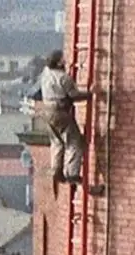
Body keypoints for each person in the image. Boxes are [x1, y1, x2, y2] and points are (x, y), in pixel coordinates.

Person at [35, 49, 94, 185]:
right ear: (60, 61)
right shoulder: (63, 78)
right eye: (63, 58)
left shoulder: (46, 73)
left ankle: (56, 170)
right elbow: (74, 95)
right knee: (74, 142)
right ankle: (72, 174)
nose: (65, 60)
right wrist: (90, 94)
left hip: (47, 112)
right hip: (60, 112)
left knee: (57, 142)